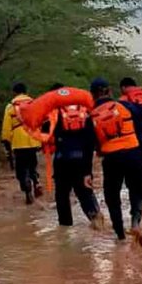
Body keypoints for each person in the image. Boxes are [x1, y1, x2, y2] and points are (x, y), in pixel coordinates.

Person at [90, 78, 142, 244]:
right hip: (134, 154)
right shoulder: (124, 106)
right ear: (109, 91)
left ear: (92, 95)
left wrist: (85, 171)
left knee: (112, 196)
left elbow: (89, 143)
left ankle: (120, 236)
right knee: (136, 190)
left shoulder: (91, 115)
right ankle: (135, 223)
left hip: (111, 158)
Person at [43, 83, 104, 228]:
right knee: (85, 193)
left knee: (62, 196)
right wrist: (88, 171)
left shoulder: (54, 114)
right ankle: (98, 222)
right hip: (82, 160)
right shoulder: (84, 112)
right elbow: (91, 141)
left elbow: (44, 132)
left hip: (62, 160)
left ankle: (64, 230)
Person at [1, 82, 43, 204]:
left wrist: (6, 141)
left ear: (14, 92)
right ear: (26, 92)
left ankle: (27, 190)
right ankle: (36, 182)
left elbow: (6, 127)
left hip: (19, 142)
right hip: (33, 139)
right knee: (32, 164)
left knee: (21, 168)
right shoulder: (34, 104)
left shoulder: (10, 107)